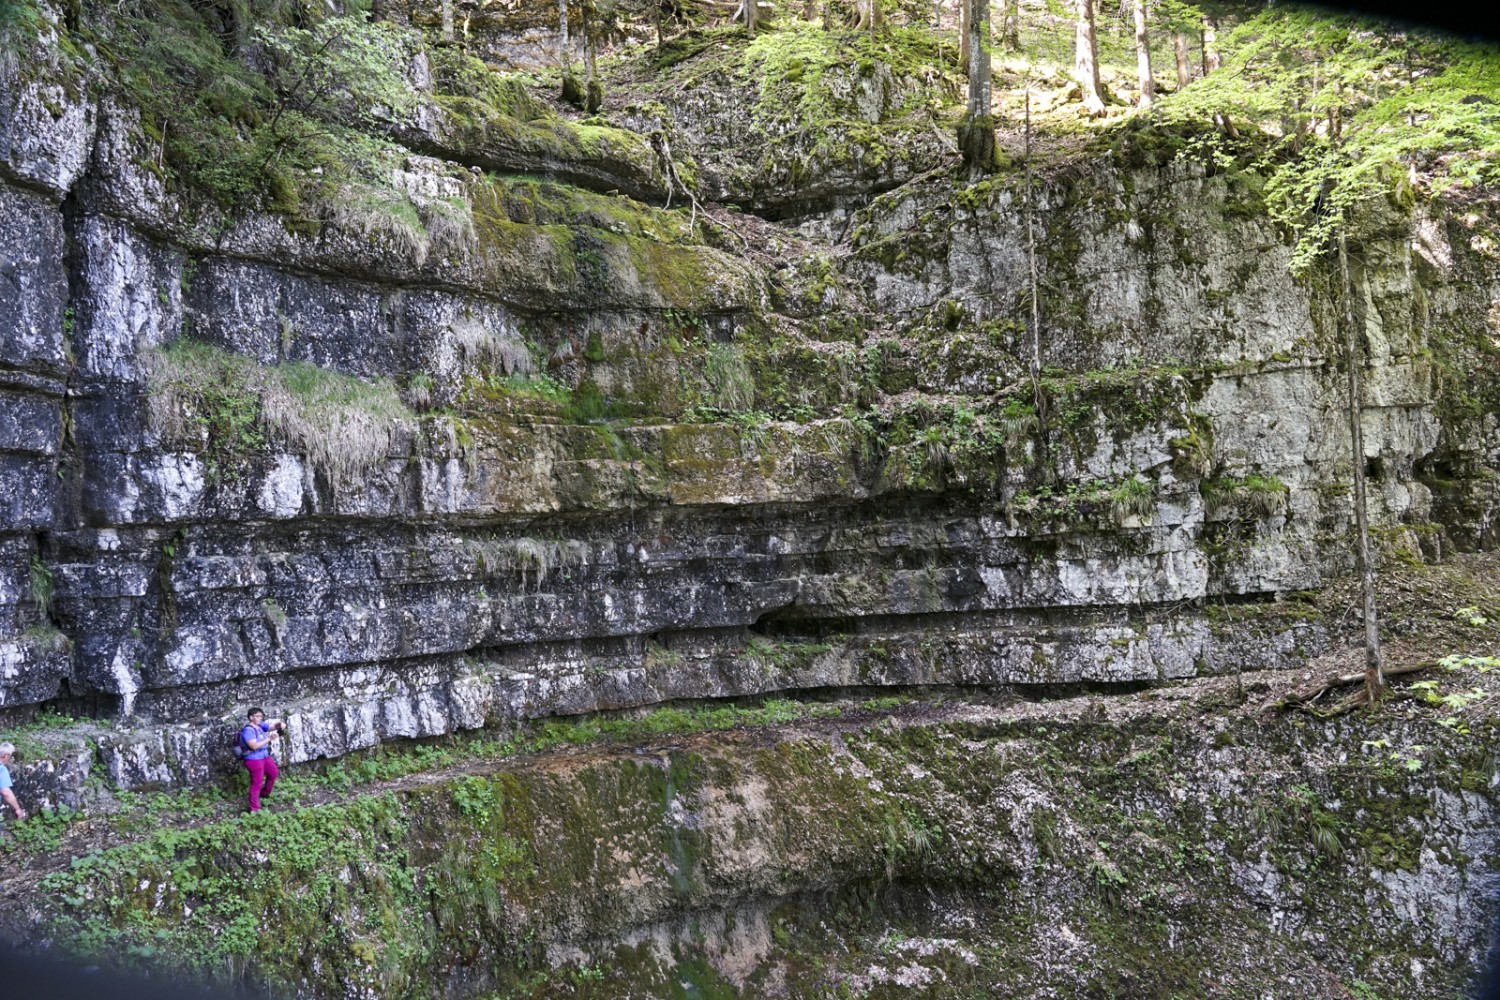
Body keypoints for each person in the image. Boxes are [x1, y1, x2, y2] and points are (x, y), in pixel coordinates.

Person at [239, 708, 285, 813]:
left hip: (264, 756)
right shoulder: (248, 730)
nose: (260, 718)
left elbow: (271, 727)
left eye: (261, 716)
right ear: (251, 717)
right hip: (253, 759)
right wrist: (269, 738)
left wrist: (279, 724)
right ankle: (254, 808)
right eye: (258, 716)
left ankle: (265, 793)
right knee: (257, 782)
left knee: (273, 772)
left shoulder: (259, 725)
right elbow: (253, 746)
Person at [0, 742, 26, 821]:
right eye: (11, 757)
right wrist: (18, 809)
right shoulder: (1, 769)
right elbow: (5, 792)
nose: (11, 759)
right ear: (6, 755)